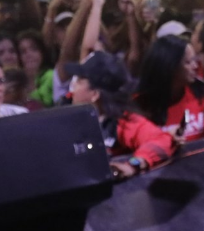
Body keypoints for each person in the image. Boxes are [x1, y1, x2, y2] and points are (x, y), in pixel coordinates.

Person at [67, 51, 176, 180]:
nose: (73, 86)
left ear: (94, 94)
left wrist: (132, 165)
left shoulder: (123, 122)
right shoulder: (65, 115)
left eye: (79, 81)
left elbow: (162, 140)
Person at [135, 35, 204, 142]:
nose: (195, 66)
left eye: (194, 60)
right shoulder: (138, 107)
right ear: (170, 67)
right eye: (188, 62)